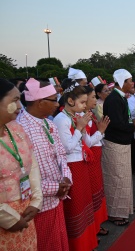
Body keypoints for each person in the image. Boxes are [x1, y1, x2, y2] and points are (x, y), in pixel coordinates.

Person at [17, 78, 72, 251]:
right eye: (54, 100)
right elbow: (21, 175)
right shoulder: (20, 129)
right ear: (40, 102)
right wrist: (54, 188)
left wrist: (66, 178)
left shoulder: (48, 123)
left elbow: (61, 154)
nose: (57, 105)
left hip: (57, 198)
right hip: (38, 207)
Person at [53, 79, 98, 251]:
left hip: (81, 163)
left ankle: (87, 243)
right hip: (72, 166)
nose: (84, 106)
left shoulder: (73, 117)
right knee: (76, 208)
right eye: (82, 102)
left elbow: (82, 142)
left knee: (84, 204)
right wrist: (79, 129)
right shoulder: (61, 120)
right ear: (70, 101)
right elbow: (66, 148)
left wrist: (85, 128)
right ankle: (78, 245)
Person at [0, 78, 43, 250]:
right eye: (15, 100)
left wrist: (36, 201)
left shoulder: (15, 129)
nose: (20, 107)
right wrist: (9, 219)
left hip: (25, 214)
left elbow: (31, 165)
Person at [102, 69, 135, 226]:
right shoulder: (113, 99)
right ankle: (114, 213)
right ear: (122, 83)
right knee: (116, 179)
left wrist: (132, 124)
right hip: (115, 143)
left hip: (123, 142)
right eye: (129, 80)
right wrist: (134, 125)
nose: (132, 83)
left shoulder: (120, 97)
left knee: (124, 178)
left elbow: (123, 120)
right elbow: (117, 124)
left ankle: (125, 206)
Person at [82, 86, 110, 238]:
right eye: (92, 97)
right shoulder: (83, 117)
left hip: (95, 157)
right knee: (93, 193)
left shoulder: (89, 114)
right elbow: (88, 142)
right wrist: (101, 131)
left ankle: (96, 226)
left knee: (97, 191)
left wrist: (100, 131)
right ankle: (93, 229)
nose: (95, 100)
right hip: (90, 158)